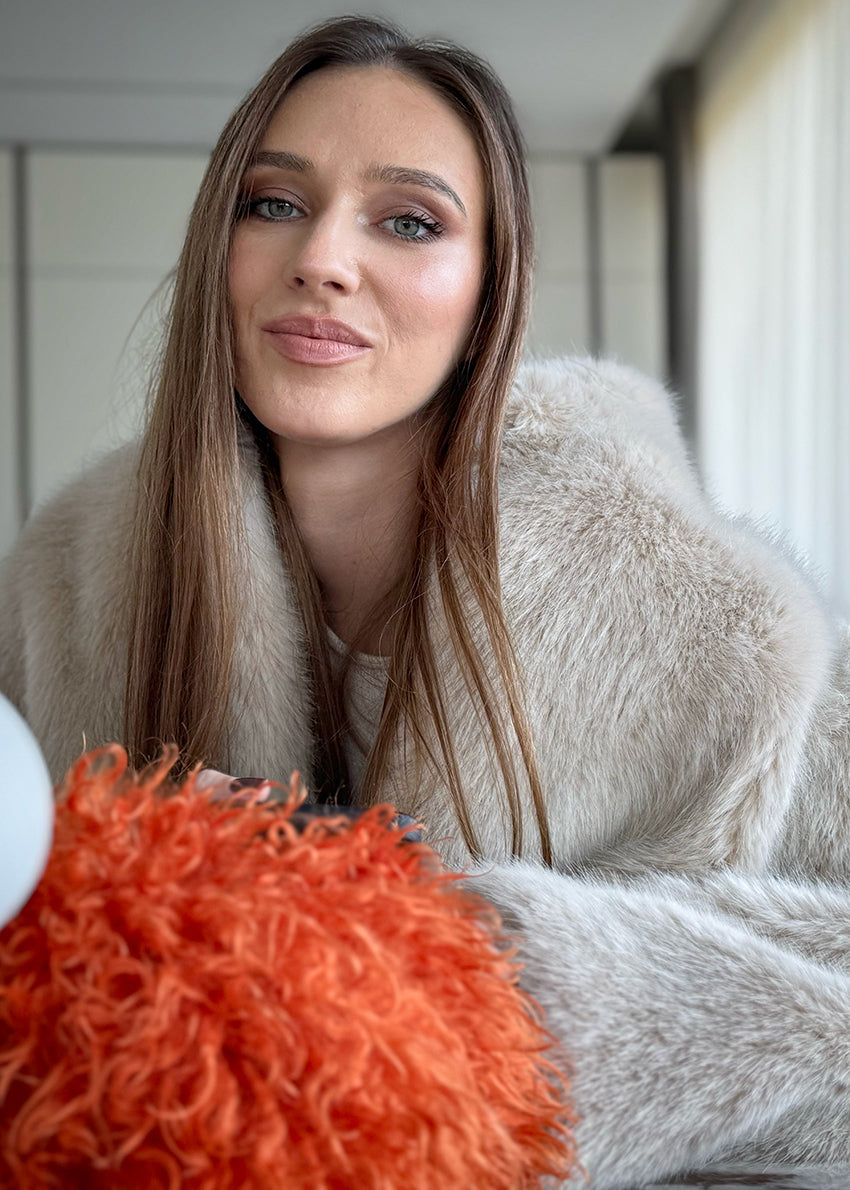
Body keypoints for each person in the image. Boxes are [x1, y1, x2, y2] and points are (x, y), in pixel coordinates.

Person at [1, 14, 850, 1187]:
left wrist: (465, 977)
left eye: (408, 220)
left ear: (490, 291)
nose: (323, 259)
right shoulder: (59, 589)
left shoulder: (716, 631)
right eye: (272, 203)